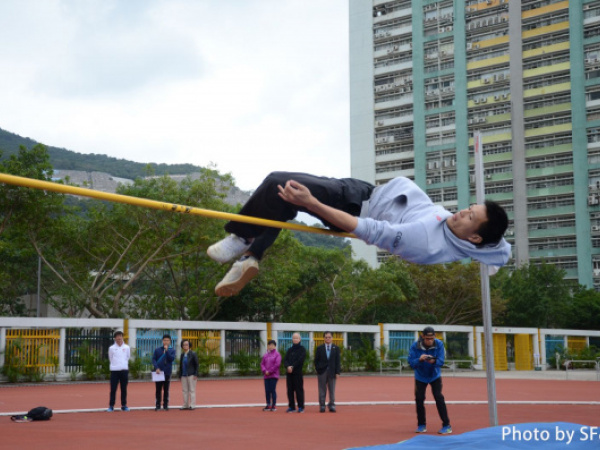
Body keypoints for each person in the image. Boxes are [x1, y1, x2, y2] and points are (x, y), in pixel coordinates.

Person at [207, 172, 510, 296]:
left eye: (470, 216)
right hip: (363, 199)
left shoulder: (425, 240)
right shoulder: (483, 241)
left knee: (279, 183)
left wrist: (312, 202)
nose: (462, 212)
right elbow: (502, 247)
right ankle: (250, 255)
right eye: (469, 208)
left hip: (356, 202)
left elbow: (365, 229)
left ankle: (241, 238)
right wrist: (493, 260)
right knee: (284, 206)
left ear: (474, 237)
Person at [408, 326, 452, 435]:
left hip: (434, 376)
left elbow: (441, 361)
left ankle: (446, 425)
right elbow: (411, 363)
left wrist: (433, 361)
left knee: (438, 397)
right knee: (419, 399)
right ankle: (421, 425)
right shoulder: (415, 346)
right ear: (422, 336)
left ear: (435, 337)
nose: (429, 341)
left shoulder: (439, 344)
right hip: (420, 377)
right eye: (427, 338)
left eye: (432, 338)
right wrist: (420, 359)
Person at [314, 331, 341, 413]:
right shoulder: (319, 348)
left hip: (332, 372)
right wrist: (318, 369)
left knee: (332, 389)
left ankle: (332, 404)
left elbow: (338, 361)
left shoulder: (336, 348)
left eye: (329, 337)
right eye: (326, 337)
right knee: (322, 389)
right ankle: (322, 405)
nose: (327, 339)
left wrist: (337, 372)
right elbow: (316, 361)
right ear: (324, 338)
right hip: (322, 371)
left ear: (332, 338)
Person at [107, 330, 131, 412]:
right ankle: (111, 405)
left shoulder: (127, 347)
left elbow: (128, 357)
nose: (119, 339)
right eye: (117, 337)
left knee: (124, 389)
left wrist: (123, 365)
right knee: (113, 389)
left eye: (120, 337)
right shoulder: (111, 348)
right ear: (115, 338)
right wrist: (115, 365)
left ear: (122, 337)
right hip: (114, 371)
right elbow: (110, 358)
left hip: (124, 370)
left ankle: (124, 405)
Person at [152, 334, 176, 411]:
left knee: (166, 389)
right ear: (162, 341)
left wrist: (167, 351)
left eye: (167, 340)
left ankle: (165, 404)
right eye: (164, 340)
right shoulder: (157, 350)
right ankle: (158, 404)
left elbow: (171, 359)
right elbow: (154, 360)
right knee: (158, 389)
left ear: (170, 341)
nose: (166, 342)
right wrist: (156, 368)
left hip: (167, 372)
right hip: (159, 373)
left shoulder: (172, 350)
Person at [283, 333, 306, 413]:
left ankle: (300, 407)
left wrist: (292, 367)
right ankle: (291, 406)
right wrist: (288, 366)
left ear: (300, 339)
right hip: (289, 373)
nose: (295, 339)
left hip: (297, 373)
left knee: (299, 390)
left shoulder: (302, 349)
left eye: (297, 338)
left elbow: (300, 360)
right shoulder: (290, 350)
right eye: (294, 338)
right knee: (290, 390)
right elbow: (285, 360)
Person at [260, 339, 282, 411]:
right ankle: (268, 404)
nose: (271, 346)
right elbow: (262, 364)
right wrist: (264, 370)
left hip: (273, 376)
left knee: (272, 390)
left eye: (272, 345)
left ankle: (274, 405)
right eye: (269, 345)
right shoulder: (265, 355)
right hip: (266, 376)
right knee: (267, 390)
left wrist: (269, 371)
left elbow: (277, 365)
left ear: (275, 346)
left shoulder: (277, 355)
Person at [178, 339, 199, 410]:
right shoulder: (182, 355)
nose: (185, 346)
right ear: (182, 346)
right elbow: (181, 365)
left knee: (192, 390)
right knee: (184, 390)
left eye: (187, 344)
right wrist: (180, 375)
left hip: (191, 374)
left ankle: (192, 405)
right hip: (184, 375)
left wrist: (196, 374)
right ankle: (185, 405)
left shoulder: (193, 354)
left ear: (189, 345)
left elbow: (197, 364)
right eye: (184, 345)